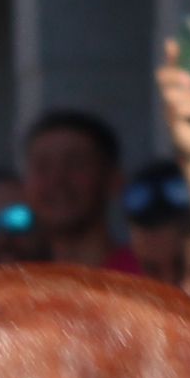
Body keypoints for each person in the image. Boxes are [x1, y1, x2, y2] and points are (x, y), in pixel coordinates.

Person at [19, 107, 127, 268]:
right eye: (42, 167)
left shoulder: (150, 273)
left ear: (113, 180)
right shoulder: (18, 283)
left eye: (75, 164)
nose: (57, 180)